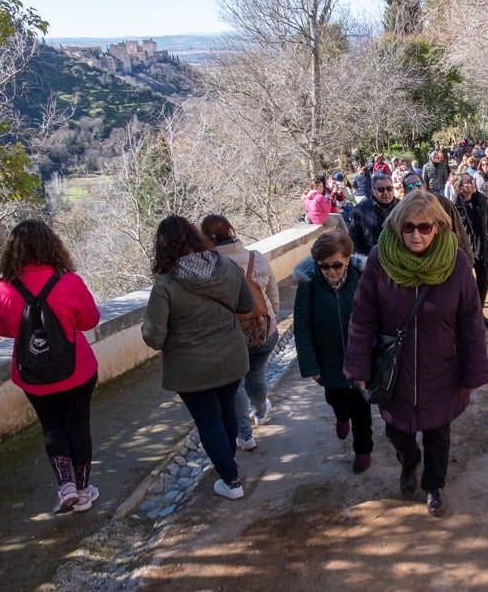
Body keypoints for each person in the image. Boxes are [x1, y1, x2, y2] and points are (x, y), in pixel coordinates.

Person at [344, 191, 488, 517]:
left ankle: (434, 486)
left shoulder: (457, 262)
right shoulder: (381, 260)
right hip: (395, 370)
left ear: (438, 226)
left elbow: (471, 322)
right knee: (397, 429)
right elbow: (362, 316)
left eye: (424, 227)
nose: (416, 235)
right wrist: (359, 366)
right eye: (408, 227)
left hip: (443, 368)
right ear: (397, 227)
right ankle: (409, 462)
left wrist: (475, 371)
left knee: (438, 433)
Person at [0, 220, 101, 514]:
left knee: (52, 427)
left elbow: (4, 330)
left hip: (33, 374)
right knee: (78, 426)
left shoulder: (1, 288)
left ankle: (64, 486)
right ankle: (83, 490)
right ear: (52, 245)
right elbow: (90, 321)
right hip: (77, 369)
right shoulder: (69, 281)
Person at [142, 215, 254, 500]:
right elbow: (246, 304)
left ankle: (230, 480)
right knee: (226, 412)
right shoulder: (226, 265)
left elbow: (154, 336)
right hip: (231, 355)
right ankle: (229, 467)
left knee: (208, 421)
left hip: (190, 367)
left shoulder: (166, 284)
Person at [293, 230, 373, 473]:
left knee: (362, 408)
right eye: (324, 267)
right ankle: (341, 417)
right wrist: (311, 365)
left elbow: (376, 318)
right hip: (328, 360)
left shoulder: (363, 277)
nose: (331, 272)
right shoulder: (309, 284)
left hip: (359, 357)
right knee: (336, 400)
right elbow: (302, 325)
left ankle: (363, 449)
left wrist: (374, 355)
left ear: (348, 258)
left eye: (336, 265)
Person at [200, 214, 279, 452]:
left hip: (229, 336)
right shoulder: (255, 257)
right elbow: (272, 291)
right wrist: (272, 318)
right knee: (256, 374)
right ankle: (261, 412)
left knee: (236, 384)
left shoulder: (207, 266)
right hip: (263, 328)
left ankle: (245, 436)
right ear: (231, 231)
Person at [453, 173, 488, 327]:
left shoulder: (481, 200)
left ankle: (479, 314)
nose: (472, 183)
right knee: (465, 285)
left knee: (483, 282)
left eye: (472, 180)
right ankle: (465, 316)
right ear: (459, 187)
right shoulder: (453, 205)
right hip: (464, 250)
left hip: (482, 248)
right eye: (467, 182)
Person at [402, 171, 474, 265]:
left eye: (418, 184)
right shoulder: (402, 210)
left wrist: (467, 261)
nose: (416, 188)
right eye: (410, 187)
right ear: (405, 192)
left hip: (446, 260)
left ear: (424, 185)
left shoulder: (443, 203)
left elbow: (459, 232)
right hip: (418, 264)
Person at [347, 173, 399, 258]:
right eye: (381, 189)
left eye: (389, 188)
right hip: (371, 261)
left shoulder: (402, 207)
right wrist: (364, 260)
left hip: (397, 261)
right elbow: (352, 238)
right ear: (372, 191)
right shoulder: (360, 210)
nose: (386, 193)